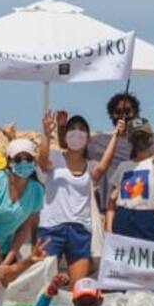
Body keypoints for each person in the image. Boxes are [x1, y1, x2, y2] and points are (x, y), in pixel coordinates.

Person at [37, 111, 120, 282]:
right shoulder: (55, 157)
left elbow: (104, 166)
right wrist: (46, 133)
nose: (77, 132)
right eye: (72, 128)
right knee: (44, 285)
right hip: (51, 228)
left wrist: (116, 136)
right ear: (65, 136)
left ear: (88, 138)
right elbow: (42, 162)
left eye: (82, 129)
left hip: (80, 230)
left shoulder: (90, 166)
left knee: (80, 288)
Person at [107, 117, 154, 243]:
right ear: (130, 140)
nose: (140, 141)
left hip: (146, 218)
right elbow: (111, 201)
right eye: (136, 137)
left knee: (148, 261)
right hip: (122, 218)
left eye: (143, 137)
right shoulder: (123, 166)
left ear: (150, 138)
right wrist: (109, 228)